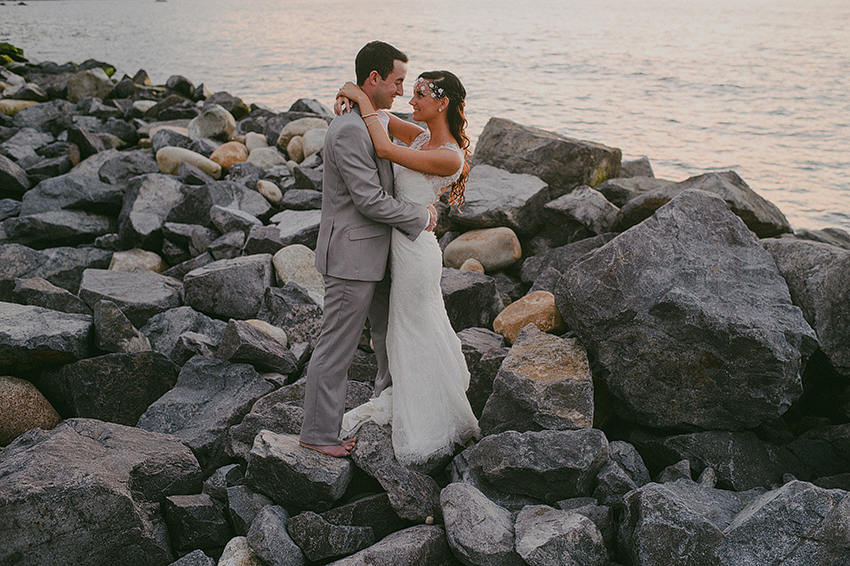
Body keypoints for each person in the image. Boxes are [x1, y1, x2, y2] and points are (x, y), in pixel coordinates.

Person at [335, 69, 480, 467]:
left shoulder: (449, 153)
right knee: (408, 330)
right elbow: (380, 120)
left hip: (417, 256)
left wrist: (363, 101)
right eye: (410, 92)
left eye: (418, 95)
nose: (410, 101)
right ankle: (415, 393)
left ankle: (425, 419)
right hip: (401, 246)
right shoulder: (420, 136)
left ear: (442, 103)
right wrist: (350, 96)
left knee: (411, 330)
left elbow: (383, 146)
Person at [299, 41, 437, 458]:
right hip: (352, 257)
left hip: (379, 255)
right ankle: (318, 433)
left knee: (388, 335)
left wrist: (356, 94)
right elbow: (369, 201)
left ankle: (387, 410)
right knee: (336, 346)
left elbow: (414, 138)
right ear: (374, 79)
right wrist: (421, 217)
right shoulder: (348, 130)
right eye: (397, 81)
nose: (401, 91)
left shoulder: (370, 119)